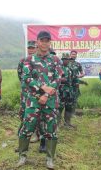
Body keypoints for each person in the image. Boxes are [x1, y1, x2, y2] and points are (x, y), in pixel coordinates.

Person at [17, 31, 63, 169]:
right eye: (42, 40)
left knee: (51, 130)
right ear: (37, 42)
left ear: (50, 43)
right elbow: (26, 78)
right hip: (33, 100)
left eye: (47, 41)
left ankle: (50, 159)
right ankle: (22, 156)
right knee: (27, 128)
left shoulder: (55, 60)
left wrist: (47, 94)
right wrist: (42, 87)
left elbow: (58, 79)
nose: (44, 43)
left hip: (50, 101)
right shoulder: (29, 60)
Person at [58, 53, 75, 127]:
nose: (66, 61)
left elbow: (73, 78)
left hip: (69, 91)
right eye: (64, 59)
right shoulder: (58, 68)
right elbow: (54, 78)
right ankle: (57, 124)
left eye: (68, 59)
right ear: (62, 60)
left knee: (69, 107)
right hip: (61, 91)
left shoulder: (70, 68)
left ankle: (67, 123)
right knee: (60, 107)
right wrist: (61, 79)